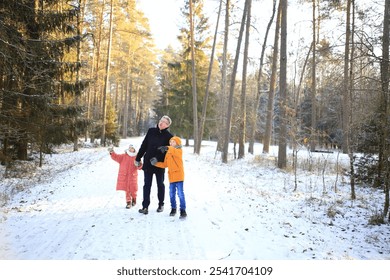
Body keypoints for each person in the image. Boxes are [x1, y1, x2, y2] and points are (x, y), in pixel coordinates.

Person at [135, 115, 173, 215]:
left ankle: (161, 204)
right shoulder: (151, 131)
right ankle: (145, 206)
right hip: (148, 163)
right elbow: (144, 145)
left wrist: (158, 159)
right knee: (147, 185)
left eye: (164, 122)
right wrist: (138, 158)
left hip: (159, 165)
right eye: (161, 120)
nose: (161, 122)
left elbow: (168, 153)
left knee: (160, 184)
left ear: (167, 125)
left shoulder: (169, 137)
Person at [150, 136, 187, 219]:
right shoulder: (169, 152)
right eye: (170, 142)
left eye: (173, 142)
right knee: (171, 194)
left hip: (179, 176)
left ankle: (183, 210)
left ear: (177, 143)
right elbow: (165, 164)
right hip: (171, 177)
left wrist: (167, 147)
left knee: (180, 194)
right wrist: (156, 163)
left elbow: (173, 150)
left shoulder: (179, 151)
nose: (171, 143)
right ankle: (173, 208)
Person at [109, 144, 142, 209]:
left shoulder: (137, 157)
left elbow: (140, 167)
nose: (130, 149)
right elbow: (116, 157)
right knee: (127, 189)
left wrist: (139, 164)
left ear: (134, 149)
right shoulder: (123, 156)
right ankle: (128, 202)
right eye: (129, 148)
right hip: (125, 176)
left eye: (132, 148)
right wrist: (112, 151)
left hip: (133, 176)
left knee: (133, 189)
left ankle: (134, 199)